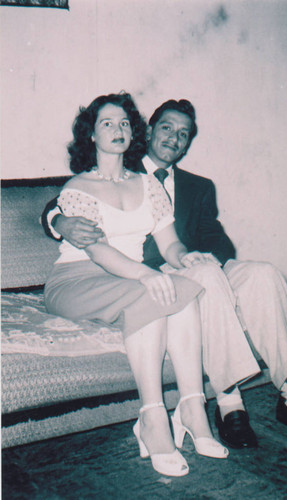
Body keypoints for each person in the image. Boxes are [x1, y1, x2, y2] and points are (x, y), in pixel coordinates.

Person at [42, 98, 287, 447]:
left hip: (185, 262)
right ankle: (229, 402)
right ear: (148, 130)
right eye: (166, 127)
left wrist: (202, 257)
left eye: (183, 134)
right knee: (207, 282)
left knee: (263, 274)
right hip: (142, 270)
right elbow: (61, 204)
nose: (174, 138)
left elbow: (216, 240)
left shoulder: (199, 186)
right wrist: (57, 221)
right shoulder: (118, 163)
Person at [44, 93, 228, 477]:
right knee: (155, 290)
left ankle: (193, 408)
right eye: (107, 123)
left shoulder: (149, 185)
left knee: (180, 290)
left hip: (124, 278)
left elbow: (169, 243)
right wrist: (148, 274)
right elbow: (97, 252)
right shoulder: (78, 187)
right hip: (77, 280)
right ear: (90, 136)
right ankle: (152, 419)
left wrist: (184, 259)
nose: (118, 129)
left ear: (133, 133)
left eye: (125, 122)